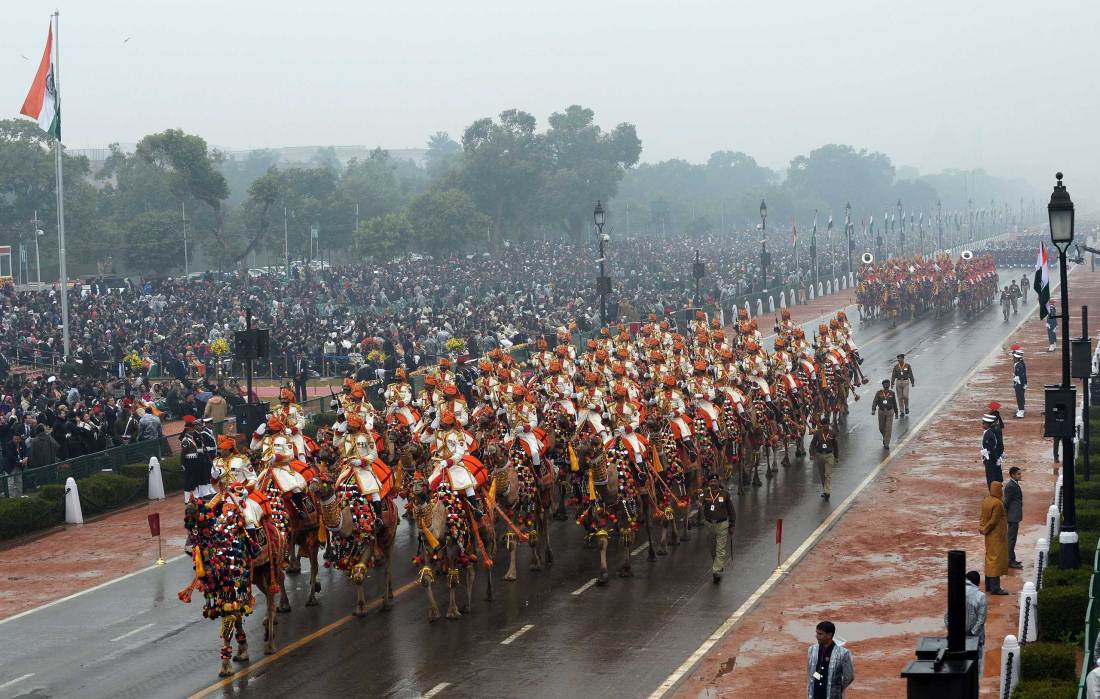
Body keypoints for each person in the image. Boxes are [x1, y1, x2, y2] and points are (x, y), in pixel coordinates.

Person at [942, 570, 988, 676]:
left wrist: (953, 631)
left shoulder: (956, 592)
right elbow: (981, 620)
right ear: (978, 583)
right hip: (976, 639)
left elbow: (946, 616)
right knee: (976, 668)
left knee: (956, 666)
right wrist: (972, 633)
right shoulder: (981, 596)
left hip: (957, 638)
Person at [701, 473, 735, 583]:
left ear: (718, 483)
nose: (713, 484)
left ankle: (716, 571)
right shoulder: (705, 494)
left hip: (722, 525)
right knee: (713, 550)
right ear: (709, 483)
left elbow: (731, 511)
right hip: (709, 525)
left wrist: (732, 524)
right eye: (711, 482)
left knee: (720, 549)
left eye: (715, 482)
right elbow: (699, 503)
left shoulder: (725, 494)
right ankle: (718, 565)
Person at [806, 620, 854, 699]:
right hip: (815, 694)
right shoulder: (812, 650)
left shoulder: (843, 653)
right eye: (816, 633)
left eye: (820, 634)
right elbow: (810, 671)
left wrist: (837, 687)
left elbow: (849, 677)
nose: (816, 636)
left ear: (829, 635)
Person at [980, 481, 1010, 595]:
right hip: (997, 536)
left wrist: (982, 528)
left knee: (989, 558)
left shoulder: (986, 500)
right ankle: (995, 588)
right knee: (996, 561)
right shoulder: (997, 503)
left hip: (989, 536)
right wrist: (985, 529)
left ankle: (988, 585)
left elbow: (983, 517)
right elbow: (994, 521)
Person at [809, 416, 839, 500]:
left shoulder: (832, 433)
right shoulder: (817, 433)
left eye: (827, 424)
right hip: (820, 455)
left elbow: (835, 446)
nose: (826, 426)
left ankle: (827, 492)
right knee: (822, 475)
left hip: (829, 456)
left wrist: (836, 457)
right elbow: (812, 444)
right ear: (821, 425)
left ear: (829, 424)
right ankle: (825, 490)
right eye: (824, 424)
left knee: (828, 475)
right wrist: (811, 454)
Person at [1004, 467, 1024, 568]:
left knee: (1012, 539)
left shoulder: (1014, 484)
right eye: (1018, 474)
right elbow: (1006, 502)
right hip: (1012, 517)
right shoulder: (1010, 486)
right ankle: (1009, 561)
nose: (1020, 475)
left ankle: (1012, 559)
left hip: (1014, 516)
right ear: (1012, 475)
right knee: (1011, 539)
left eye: (1020, 474)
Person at [870, 380, 898, 449]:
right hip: (881, 411)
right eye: (885, 384)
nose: (886, 385)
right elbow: (875, 401)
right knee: (881, 427)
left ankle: (887, 442)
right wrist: (873, 409)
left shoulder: (892, 393)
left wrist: (896, 413)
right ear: (883, 385)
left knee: (888, 428)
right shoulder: (879, 393)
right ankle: (885, 437)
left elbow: (894, 403)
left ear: (889, 385)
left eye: (887, 383)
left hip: (890, 411)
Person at [981, 413, 1004, 488]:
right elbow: (1000, 443)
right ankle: (997, 492)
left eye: (983, 423)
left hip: (991, 459)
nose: (982, 425)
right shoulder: (995, 431)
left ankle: (994, 494)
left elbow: (992, 448)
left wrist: (996, 457)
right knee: (997, 475)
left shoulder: (989, 434)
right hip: (995, 458)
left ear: (988, 424)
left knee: (991, 477)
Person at [1012, 347, 1027, 418]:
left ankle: (1021, 412)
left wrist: (1016, 383)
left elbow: (1020, 377)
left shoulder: (1019, 365)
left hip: (1019, 384)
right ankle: (1020, 410)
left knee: (1020, 397)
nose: (1013, 358)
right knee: (1020, 397)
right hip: (1021, 384)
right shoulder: (1020, 363)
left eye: (1014, 357)